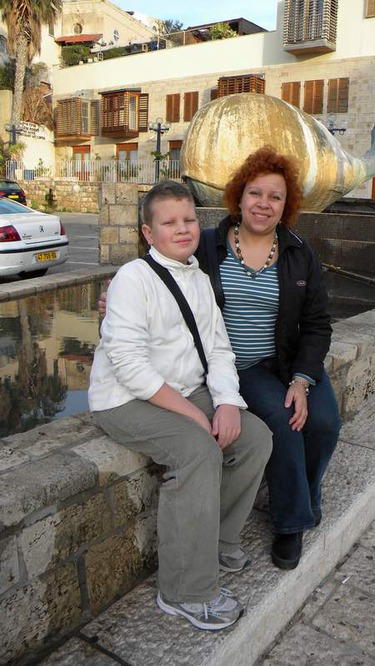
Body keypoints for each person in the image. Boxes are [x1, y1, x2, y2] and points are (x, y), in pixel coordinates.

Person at [89, 181, 272, 631]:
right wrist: (193, 415)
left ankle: (216, 541)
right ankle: (184, 590)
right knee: (197, 450)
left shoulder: (199, 277)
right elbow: (128, 365)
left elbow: (219, 349)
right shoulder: (133, 279)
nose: (183, 228)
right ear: (148, 233)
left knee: (255, 437)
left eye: (189, 219)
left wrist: (226, 403)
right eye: (169, 222)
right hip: (126, 399)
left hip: (187, 390)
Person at [195, 146, 341, 570]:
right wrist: (118, 294)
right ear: (239, 197)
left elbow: (317, 323)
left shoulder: (298, 253)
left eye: (275, 196)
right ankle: (291, 521)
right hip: (239, 367)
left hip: (289, 361)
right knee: (285, 420)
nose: (264, 203)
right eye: (255, 193)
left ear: (285, 204)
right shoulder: (207, 246)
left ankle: (307, 492)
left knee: (325, 422)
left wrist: (301, 379)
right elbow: (160, 272)